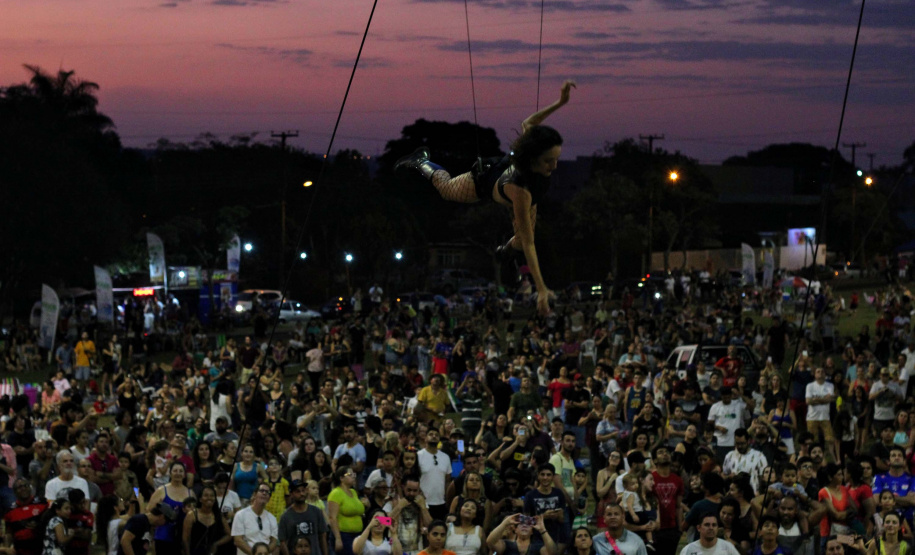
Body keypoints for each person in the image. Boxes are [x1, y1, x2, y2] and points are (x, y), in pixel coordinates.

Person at [395, 80, 576, 316]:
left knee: (519, 242)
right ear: (533, 159)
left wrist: (560, 102)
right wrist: (541, 289)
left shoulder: (536, 158)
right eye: (548, 161)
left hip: (524, 192)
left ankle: (504, 250)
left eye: (556, 158)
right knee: (446, 189)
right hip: (486, 180)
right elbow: (531, 244)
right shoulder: (520, 192)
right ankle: (421, 161)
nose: (555, 165)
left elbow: (529, 123)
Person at [147, 461, 192, 555]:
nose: (178, 473)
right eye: (175, 471)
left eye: (180, 471)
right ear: (170, 473)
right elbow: (148, 511)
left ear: (184, 475)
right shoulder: (161, 490)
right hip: (163, 535)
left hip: (182, 536)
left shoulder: (190, 493)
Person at [278, 480, 329, 555]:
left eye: (303, 490)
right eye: (297, 491)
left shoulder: (316, 512)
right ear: (291, 494)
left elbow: (322, 536)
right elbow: (282, 542)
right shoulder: (286, 516)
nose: (301, 494)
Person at [182, 485, 232, 555]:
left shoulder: (218, 515)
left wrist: (216, 544)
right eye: (206, 495)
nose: (209, 498)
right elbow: (185, 538)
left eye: (212, 496)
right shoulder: (192, 515)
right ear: (200, 499)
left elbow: (229, 535)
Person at [4, 478, 47, 555]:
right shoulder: (10, 511)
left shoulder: (42, 503)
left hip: (42, 549)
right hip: (20, 551)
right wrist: (6, 548)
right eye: (20, 487)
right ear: (15, 492)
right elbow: (8, 533)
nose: (23, 488)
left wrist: (39, 526)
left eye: (26, 486)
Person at [232, 485, 279, 555]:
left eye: (267, 492)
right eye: (262, 491)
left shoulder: (272, 518)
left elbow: (274, 541)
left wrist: (264, 553)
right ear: (254, 494)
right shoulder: (240, 515)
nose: (264, 493)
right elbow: (238, 540)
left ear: (269, 498)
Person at [328, 466, 365, 555]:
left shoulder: (353, 492)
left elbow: (357, 511)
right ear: (341, 478)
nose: (353, 476)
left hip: (358, 534)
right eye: (350, 474)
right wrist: (338, 538)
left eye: (354, 474)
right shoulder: (336, 493)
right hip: (344, 535)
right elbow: (332, 517)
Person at [418, 429, 452, 521]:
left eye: (436, 435)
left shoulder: (445, 457)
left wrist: (447, 500)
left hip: (441, 503)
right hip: (423, 503)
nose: (434, 436)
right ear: (425, 438)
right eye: (431, 434)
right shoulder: (418, 455)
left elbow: (447, 480)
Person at [486, 514, 557, 555]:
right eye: (521, 524)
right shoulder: (506, 545)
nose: (524, 526)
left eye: (528, 524)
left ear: (532, 531)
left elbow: (553, 553)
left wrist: (542, 529)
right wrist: (505, 523)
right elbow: (490, 542)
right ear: (515, 530)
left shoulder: (538, 547)